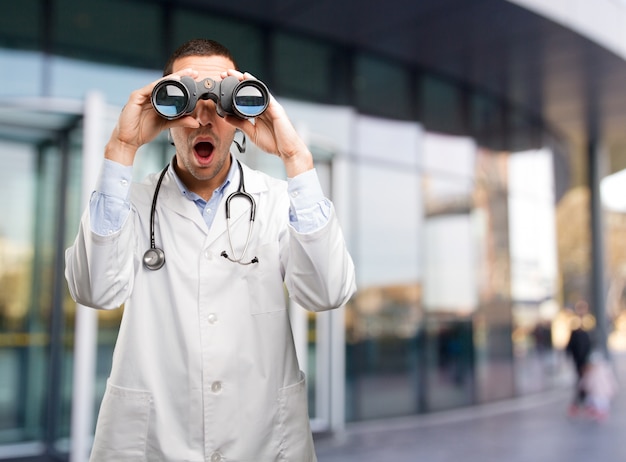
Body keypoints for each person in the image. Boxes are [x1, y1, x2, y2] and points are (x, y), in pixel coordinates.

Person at [65, 38, 356, 462]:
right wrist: (121, 150)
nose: (204, 117)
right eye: (186, 98)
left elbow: (328, 293)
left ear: (240, 116)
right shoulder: (129, 202)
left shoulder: (277, 200)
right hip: (151, 444)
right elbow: (94, 291)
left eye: (221, 101)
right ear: (166, 112)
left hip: (262, 443)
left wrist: (296, 157)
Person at [565, 301, 593, 416]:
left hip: (586, 359)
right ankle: (579, 402)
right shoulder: (574, 324)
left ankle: (583, 402)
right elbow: (571, 344)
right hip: (579, 359)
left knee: (585, 381)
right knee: (581, 381)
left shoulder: (589, 322)